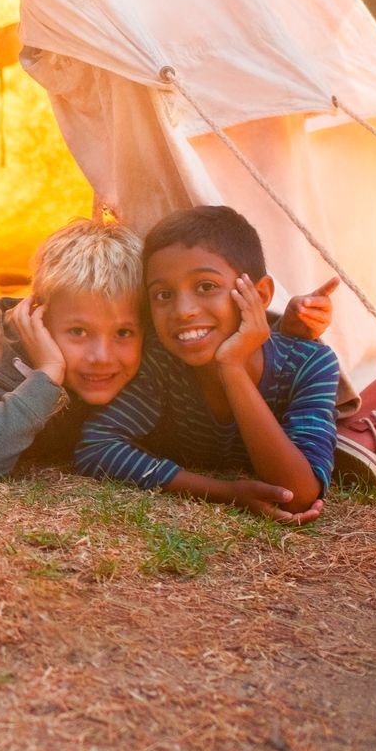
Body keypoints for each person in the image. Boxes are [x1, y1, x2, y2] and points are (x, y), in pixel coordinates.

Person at [75, 205, 338, 523]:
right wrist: (224, 492)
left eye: (206, 287)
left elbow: (296, 494)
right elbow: (96, 445)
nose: (183, 310)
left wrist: (232, 367)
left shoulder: (310, 363)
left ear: (260, 294)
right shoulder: (163, 363)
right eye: (163, 295)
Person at [0, 219, 145, 486]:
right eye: (79, 332)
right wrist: (46, 374)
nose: (101, 357)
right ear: (40, 320)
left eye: (122, 333)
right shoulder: (9, 357)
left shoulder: (152, 356)